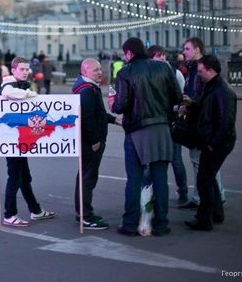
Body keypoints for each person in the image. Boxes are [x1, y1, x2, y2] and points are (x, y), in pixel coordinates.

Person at [112, 38, 182, 237]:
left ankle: (130, 224)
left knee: (134, 178)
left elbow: (120, 105)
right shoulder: (164, 68)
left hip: (136, 131)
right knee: (160, 178)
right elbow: (177, 97)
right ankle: (161, 224)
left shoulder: (125, 72)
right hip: (162, 129)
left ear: (128, 54)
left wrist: (114, 106)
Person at [0, 57, 55, 227]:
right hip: (11, 141)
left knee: (25, 177)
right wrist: (31, 94)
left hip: (21, 140)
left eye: (26, 69)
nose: (25, 72)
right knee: (15, 177)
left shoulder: (21, 84)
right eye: (21, 69)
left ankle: (36, 210)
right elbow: (7, 93)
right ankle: (9, 215)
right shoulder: (9, 84)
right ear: (13, 70)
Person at [184, 55, 237, 231]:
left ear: (210, 70)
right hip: (214, 140)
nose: (198, 74)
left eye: (200, 71)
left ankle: (204, 219)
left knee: (204, 179)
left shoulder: (222, 90)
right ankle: (216, 213)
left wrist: (212, 144)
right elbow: (205, 108)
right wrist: (191, 104)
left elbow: (226, 122)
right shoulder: (212, 86)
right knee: (209, 176)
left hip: (218, 142)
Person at [72, 58, 119, 229]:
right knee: (87, 178)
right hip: (90, 143)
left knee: (85, 177)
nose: (100, 72)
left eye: (100, 69)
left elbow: (98, 113)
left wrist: (114, 120)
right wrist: (95, 141)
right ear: (85, 71)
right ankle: (85, 216)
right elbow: (87, 117)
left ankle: (83, 213)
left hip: (89, 141)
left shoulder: (88, 87)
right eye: (95, 70)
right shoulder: (86, 90)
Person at [180, 37, 225, 209]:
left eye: (187, 49)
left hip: (201, 121)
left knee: (204, 162)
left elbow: (204, 96)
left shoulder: (203, 68)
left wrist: (191, 103)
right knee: (198, 161)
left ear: (197, 49)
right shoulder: (192, 69)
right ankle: (200, 196)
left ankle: (216, 196)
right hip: (194, 118)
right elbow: (190, 91)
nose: (184, 52)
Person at [147, 45, 188, 206]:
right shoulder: (149, 74)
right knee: (155, 160)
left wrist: (177, 109)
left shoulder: (175, 73)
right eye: (159, 56)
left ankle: (182, 191)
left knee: (175, 159)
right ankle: (152, 193)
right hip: (157, 123)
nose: (163, 58)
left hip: (170, 121)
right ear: (151, 59)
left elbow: (182, 95)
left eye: (163, 55)